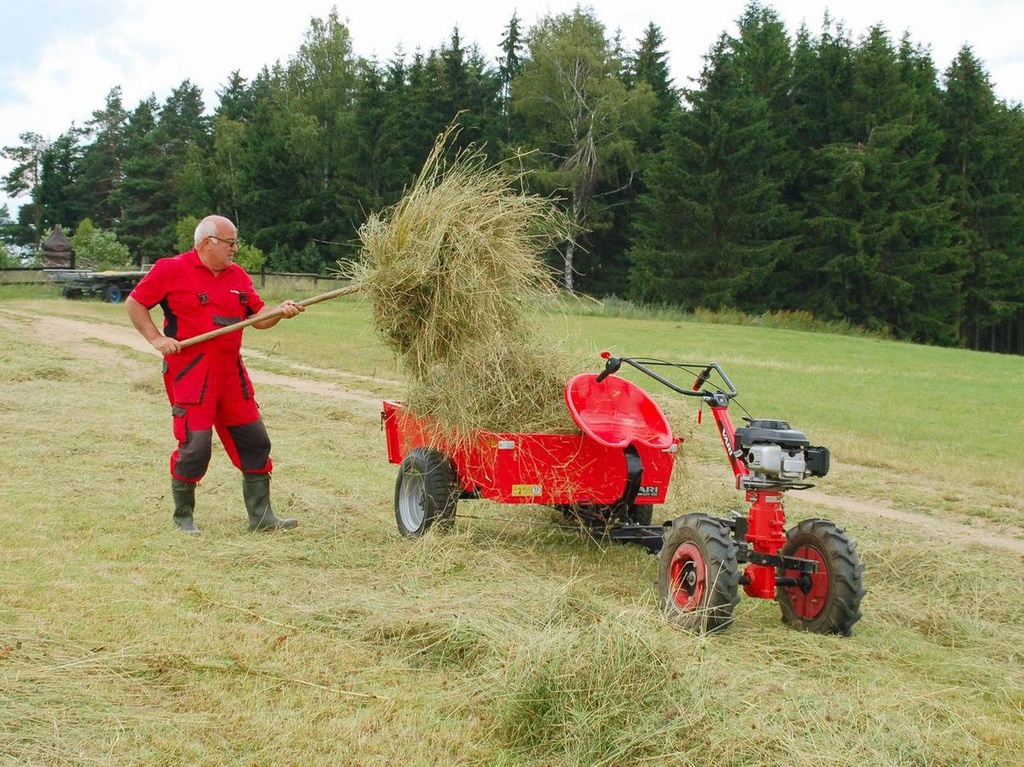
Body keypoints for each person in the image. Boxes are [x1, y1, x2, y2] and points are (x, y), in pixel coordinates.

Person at [125, 215, 305, 534]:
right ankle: (183, 517)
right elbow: (135, 304)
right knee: (196, 446)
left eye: (236, 242)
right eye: (230, 242)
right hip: (191, 374)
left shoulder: (237, 276)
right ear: (207, 242)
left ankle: (261, 517)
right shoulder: (171, 268)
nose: (235, 249)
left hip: (231, 375)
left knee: (255, 440)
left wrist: (280, 312)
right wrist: (156, 338)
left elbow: (258, 317)